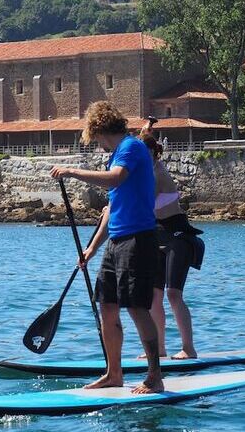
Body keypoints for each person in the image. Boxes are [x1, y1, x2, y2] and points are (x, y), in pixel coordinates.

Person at [50, 101, 163, 394]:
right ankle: (114, 374)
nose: (96, 143)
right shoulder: (115, 155)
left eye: (95, 138)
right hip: (116, 241)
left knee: (137, 308)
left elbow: (116, 179)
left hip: (138, 239)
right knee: (107, 308)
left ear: (99, 130)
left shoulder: (131, 147)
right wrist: (92, 249)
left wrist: (73, 172)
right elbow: (112, 208)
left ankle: (154, 376)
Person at [139, 119, 204, 360]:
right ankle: (160, 349)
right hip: (156, 237)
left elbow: (143, 201)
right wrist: (147, 127)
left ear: (155, 154)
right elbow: (142, 138)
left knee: (173, 294)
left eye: (146, 154)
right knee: (153, 296)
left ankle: (188, 347)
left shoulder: (157, 174)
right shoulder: (145, 169)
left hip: (178, 237)